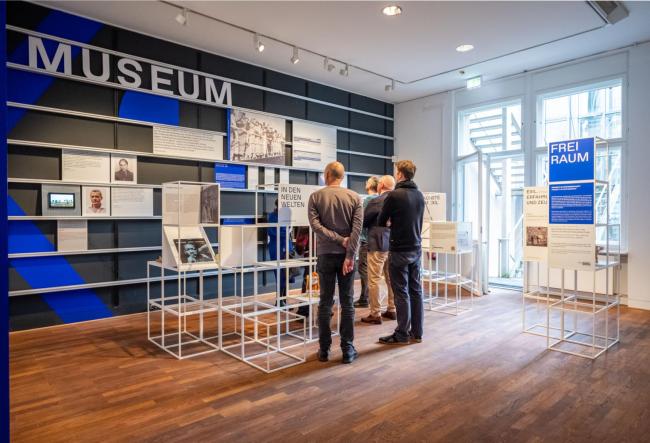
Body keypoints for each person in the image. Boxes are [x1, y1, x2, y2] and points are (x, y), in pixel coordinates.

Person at [308, 161, 363, 364]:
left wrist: (338, 240)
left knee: (325, 302)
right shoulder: (355, 197)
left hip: (325, 255)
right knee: (347, 303)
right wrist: (349, 254)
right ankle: (348, 350)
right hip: (346, 257)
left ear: (326, 175)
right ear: (342, 176)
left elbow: (315, 226)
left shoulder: (316, 197)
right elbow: (357, 230)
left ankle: (324, 350)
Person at [377, 160, 425, 345]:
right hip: (416, 249)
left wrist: (391, 223)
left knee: (401, 292)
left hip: (399, 250)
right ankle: (417, 332)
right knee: (416, 290)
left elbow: (381, 221)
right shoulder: (420, 195)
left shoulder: (394, 195)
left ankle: (402, 333)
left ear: (400, 174)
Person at [361, 175, 397, 324]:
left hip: (378, 244)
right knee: (391, 278)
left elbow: (364, 221)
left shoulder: (377, 201)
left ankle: (375, 313)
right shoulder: (399, 201)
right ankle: (392, 309)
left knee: (374, 279)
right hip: (394, 244)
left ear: (381, 185)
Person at [354, 176, 379, 308]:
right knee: (371, 270)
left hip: (366, 239)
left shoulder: (368, 199)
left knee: (363, 269)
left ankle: (364, 298)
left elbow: (361, 219)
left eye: (368, 182)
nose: (366, 183)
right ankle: (369, 297)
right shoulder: (380, 198)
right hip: (376, 240)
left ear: (371, 185)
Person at [267, 199, 295, 306]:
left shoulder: (285, 216)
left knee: (287, 274)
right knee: (280, 275)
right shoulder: (273, 216)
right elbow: (274, 231)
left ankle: (283, 300)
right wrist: (287, 230)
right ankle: (279, 301)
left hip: (286, 247)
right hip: (277, 248)